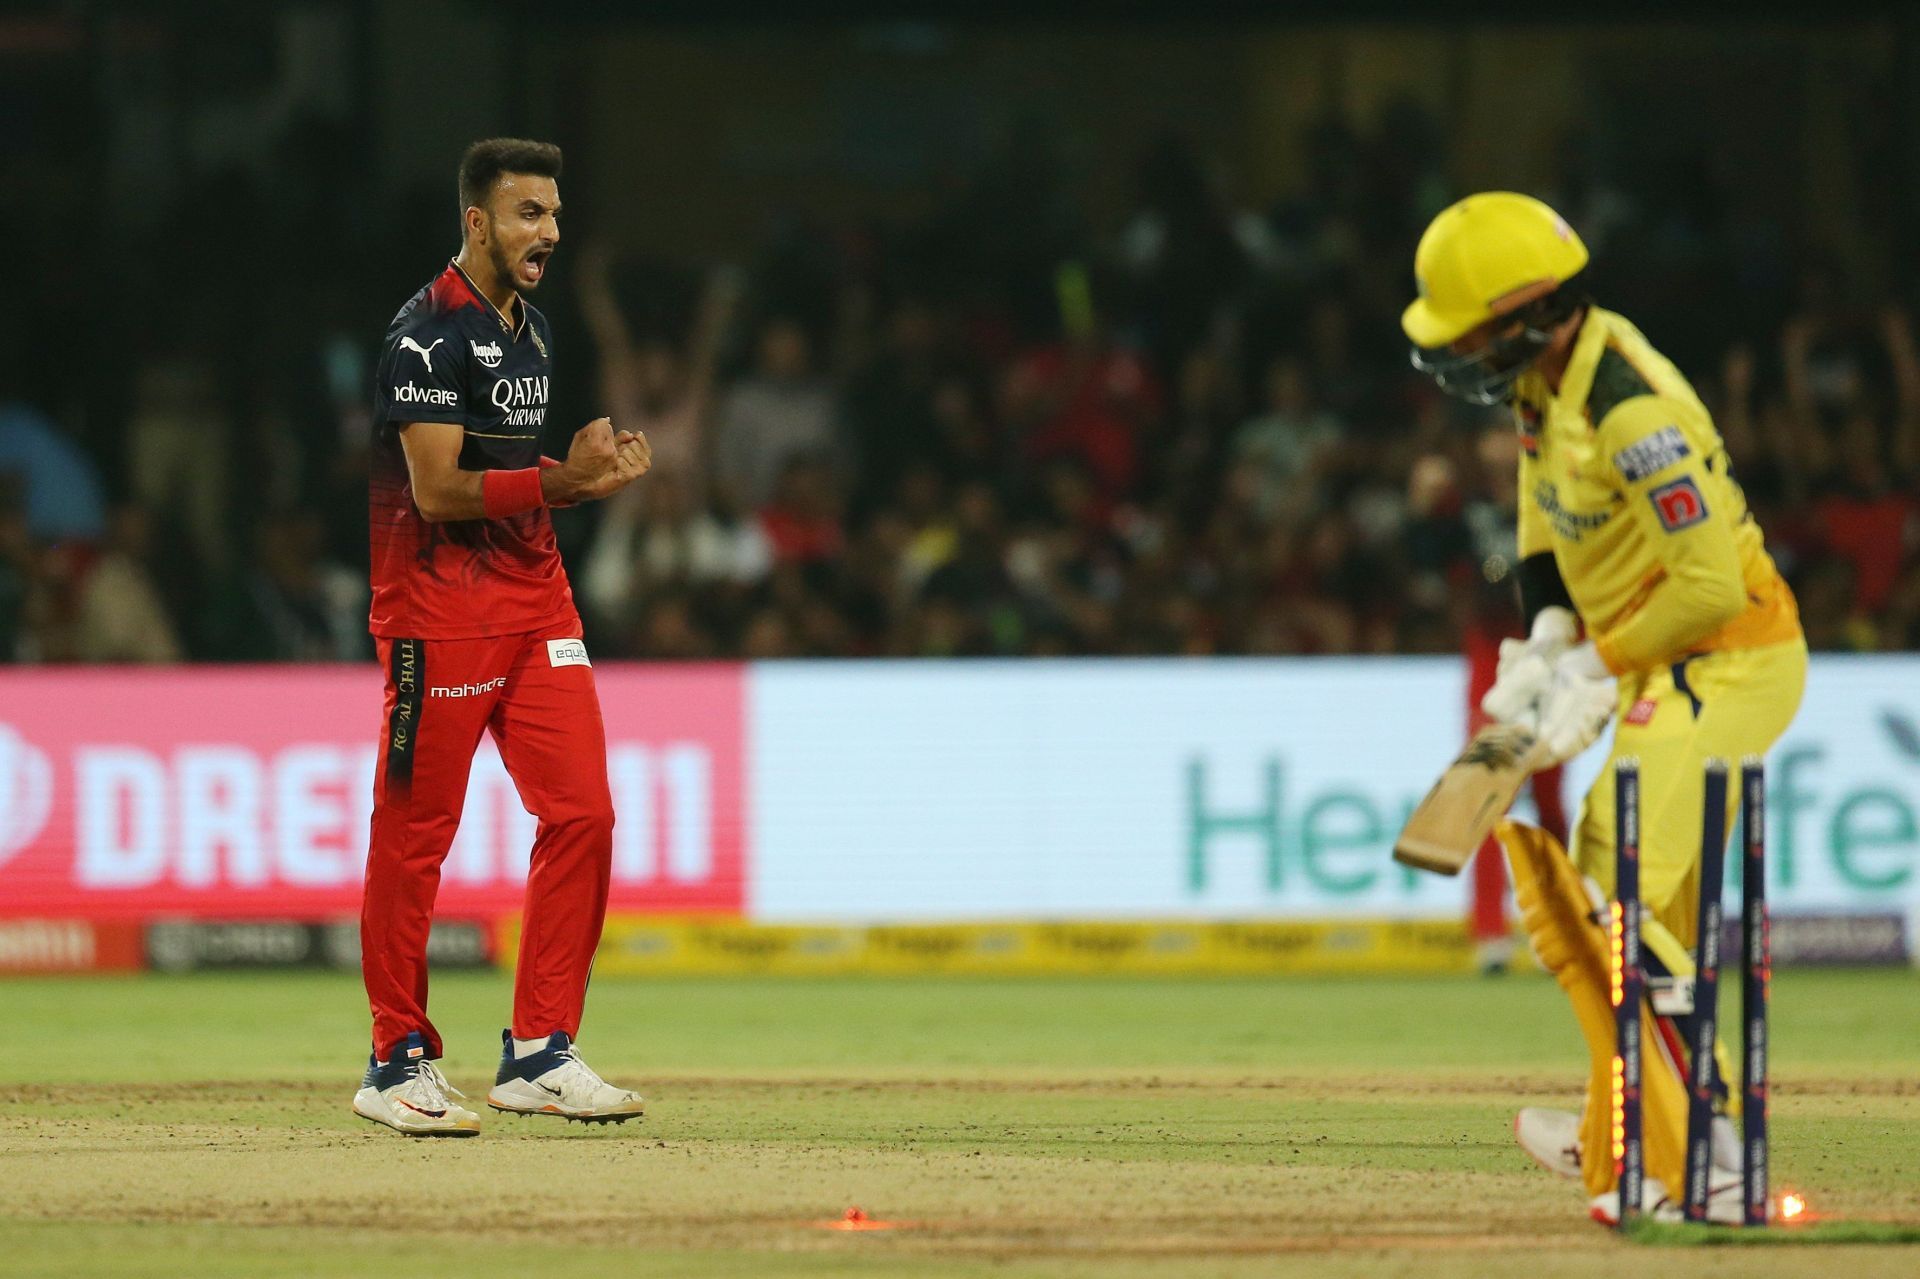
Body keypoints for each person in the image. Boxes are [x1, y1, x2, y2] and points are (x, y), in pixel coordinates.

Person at [1402, 192, 1805, 1222]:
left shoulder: (1631, 407)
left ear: (1532, 314)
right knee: (1649, 912)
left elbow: (1711, 586)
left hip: (1726, 661)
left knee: (1602, 891)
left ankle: (1710, 1153)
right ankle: (1628, 1135)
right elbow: (1544, 516)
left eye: (1468, 331)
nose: (1457, 354)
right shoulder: (1550, 382)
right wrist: (1544, 634)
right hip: (1656, 663)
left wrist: (1595, 664)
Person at [354, 138, 653, 1136]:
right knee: (414, 841)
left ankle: (539, 1052)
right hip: (437, 620)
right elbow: (438, 492)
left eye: (557, 214)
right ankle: (397, 1062)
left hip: (538, 609)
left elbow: (513, 476)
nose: (550, 234)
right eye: (530, 214)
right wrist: (568, 482)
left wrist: (584, 482)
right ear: (477, 220)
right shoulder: (424, 337)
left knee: (585, 814)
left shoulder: (532, 329)